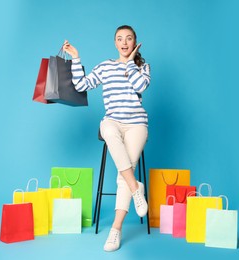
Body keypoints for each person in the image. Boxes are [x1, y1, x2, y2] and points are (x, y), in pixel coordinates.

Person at [63, 25, 150, 252]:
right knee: (107, 129)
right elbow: (82, 85)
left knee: (124, 173)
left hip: (136, 125)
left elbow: (140, 85)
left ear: (135, 43)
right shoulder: (105, 66)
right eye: (120, 39)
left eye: (128, 39)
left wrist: (130, 63)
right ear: (114, 43)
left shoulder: (142, 67)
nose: (124, 42)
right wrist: (75, 57)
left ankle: (116, 230)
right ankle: (135, 188)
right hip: (113, 121)